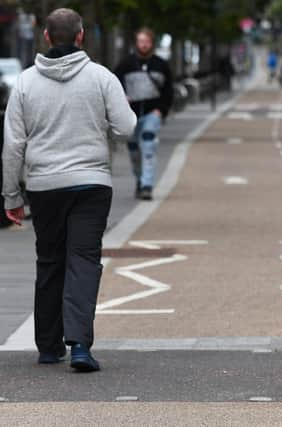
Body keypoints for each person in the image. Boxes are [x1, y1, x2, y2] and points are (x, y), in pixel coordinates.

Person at [1, 8, 136, 370]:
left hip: (44, 186)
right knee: (84, 259)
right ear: (80, 37)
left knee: (49, 260)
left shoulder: (26, 84)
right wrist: (105, 133)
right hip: (91, 183)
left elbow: (13, 145)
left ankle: (47, 346)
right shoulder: (102, 78)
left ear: (46, 36)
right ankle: (79, 344)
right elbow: (127, 126)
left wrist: (11, 196)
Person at [114, 27, 173, 201]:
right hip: (131, 114)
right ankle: (139, 179)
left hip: (152, 112)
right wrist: (122, 98)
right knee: (134, 151)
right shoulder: (126, 64)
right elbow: (114, 84)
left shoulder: (161, 65)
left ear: (152, 43)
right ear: (136, 43)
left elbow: (168, 90)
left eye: (146, 41)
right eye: (141, 41)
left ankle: (147, 184)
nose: (144, 45)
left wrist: (161, 110)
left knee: (148, 145)